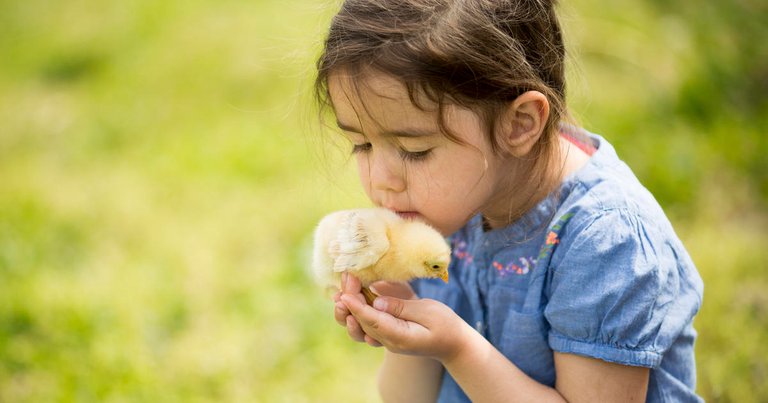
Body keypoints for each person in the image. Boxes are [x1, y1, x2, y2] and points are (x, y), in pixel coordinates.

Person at [314, 0, 704, 401]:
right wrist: (406, 329)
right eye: (360, 145)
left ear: (519, 124)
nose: (379, 181)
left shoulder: (605, 241)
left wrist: (457, 348)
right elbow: (406, 397)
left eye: (415, 151)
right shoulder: (449, 206)